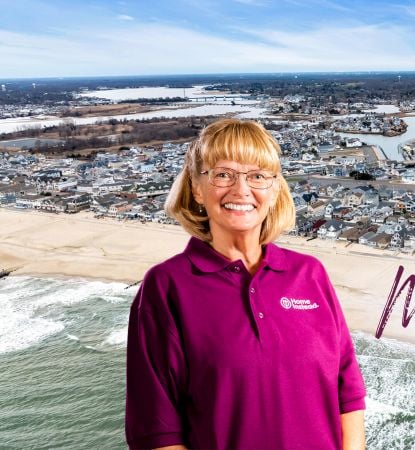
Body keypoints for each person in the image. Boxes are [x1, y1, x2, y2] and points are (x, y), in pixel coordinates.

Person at [125, 119, 366, 449]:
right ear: (196, 186)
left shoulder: (309, 274)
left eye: (257, 176)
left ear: (274, 188)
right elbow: (155, 431)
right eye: (223, 174)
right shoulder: (167, 287)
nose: (241, 190)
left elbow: (348, 393)